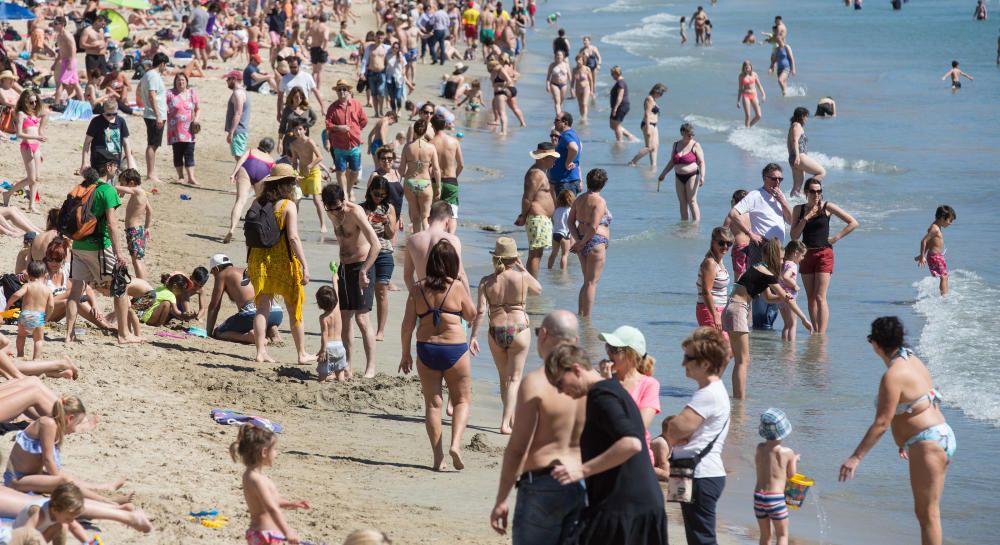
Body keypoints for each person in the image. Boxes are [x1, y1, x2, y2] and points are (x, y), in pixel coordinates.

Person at [839, 317, 955, 545]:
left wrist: (856, 457)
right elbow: (924, 400)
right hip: (939, 436)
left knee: (927, 515)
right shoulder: (912, 359)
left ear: (875, 343)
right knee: (930, 512)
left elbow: (882, 422)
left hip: (928, 443)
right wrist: (906, 441)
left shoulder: (892, 376)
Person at [546, 344, 668, 545]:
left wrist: (581, 471)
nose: (561, 391)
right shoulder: (611, 389)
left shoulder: (602, 396)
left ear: (576, 369)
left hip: (626, 510)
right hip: (635, 505)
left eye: (560, 383)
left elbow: (632, 443)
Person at [489, 309, 584, 542]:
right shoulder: (594, 383)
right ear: (577, 341)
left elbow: (517, 448)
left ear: (543, 334)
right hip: (581, 483)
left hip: (543, 482)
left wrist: (501, 499)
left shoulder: (536, 382)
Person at [399, 239, 477, 471]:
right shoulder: (457, 287)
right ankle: (455, 445)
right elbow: (471, 316)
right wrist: (464, 287)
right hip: (455, 350)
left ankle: (437, 458)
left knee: (433, 404)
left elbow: (407, 325)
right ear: (453, 264)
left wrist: (405, 354)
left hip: (427, 349)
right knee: (462, 400)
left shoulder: (417, 288)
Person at [655, 327, 730, 545]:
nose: (683, 363)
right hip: (688, 470)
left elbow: (673, 429)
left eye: (688, 358)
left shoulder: (708, 394)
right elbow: (676, 431)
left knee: (701, 538)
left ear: (705, 363)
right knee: (694, 535)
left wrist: (675, 433)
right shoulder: (708, 391)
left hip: (700, 474)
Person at [722, 238, 812, 399]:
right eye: (782, 258)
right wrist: (804, 318)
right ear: (775, 257)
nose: (783, 261)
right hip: (738, 310)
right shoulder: (768, 275)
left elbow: (769, 298)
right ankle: (740, 400)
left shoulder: (757, 268)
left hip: (731, 308)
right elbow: (786, 298)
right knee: (743, 360)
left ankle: (721, 388)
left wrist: (783, 297)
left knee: (734, 356)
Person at [469, 237, 542, 433]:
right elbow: (539, 289)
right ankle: (505, 423)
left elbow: (481, 311)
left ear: (496, 258)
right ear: (514, 258)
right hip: (519, 329)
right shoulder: (522, 277)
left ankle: (511, 420)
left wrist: (473, 337)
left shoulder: (486, 281)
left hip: (496, 331)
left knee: (504, 378)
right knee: (515, 378)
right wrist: (523, 269)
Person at [64, 160, 140, 345]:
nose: (117, 169)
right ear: (108, 167)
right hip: (98, 246)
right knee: (120, 287)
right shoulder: (108, 190)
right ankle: (124, 334)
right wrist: (119, 252)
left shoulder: (81, 186)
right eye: (115, 165)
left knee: (75, 292)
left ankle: (68, 335)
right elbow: (113, 224)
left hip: (79, 244)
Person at [4, 396, 127, 503]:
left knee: (68, 478)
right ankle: (107, 502)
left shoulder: (54, 426)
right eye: (77, 423)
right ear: (69, 419)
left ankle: (103, 488)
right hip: (16, 480)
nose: (74, 430)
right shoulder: (48, 424)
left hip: (30, 475)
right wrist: (59, 481)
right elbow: (47, 459)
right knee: (64, 479)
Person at [246, 164, 312, 364]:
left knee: (262, 307)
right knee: (294, 306)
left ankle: (260, 352)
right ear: (289, 184)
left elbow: (250, 235)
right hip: (283, 262)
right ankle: (301, 353)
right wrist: (304, 264)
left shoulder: (258, 202)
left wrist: (248, 263)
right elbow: (293, 238)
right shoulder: (287, 206)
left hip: (259, 260)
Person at [323, 184, 381, 378]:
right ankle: (347, 365)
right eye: (330, 209)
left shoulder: (355, 212)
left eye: (338, 208)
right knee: (345, 316)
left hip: (362, 266)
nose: (335, 213)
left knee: (362, 318)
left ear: (344, 201)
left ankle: (370, 367)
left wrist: (364, 270)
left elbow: (376, 244)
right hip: (345, 267)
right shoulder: (331, 212)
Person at [727, 163, 793, 330]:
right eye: (774, 178)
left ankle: (767, 328)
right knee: (759, 289)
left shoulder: (779, 197)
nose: (777, 182)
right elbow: (733, 214)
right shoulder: (756, 195)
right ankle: (759, 327)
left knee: (776, 286)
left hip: (778, 250)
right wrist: (750, 233)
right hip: (761, 247)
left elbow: (791, 220)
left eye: (780, 179)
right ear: (765, 178)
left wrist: (783, 202)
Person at [790, 178, 858, 333]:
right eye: (813, 191)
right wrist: (806, 218)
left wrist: (836, 237)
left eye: (819, 191)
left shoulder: (827, 207)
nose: (816, 194)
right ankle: (814, 332)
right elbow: (794, 236)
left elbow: (853, 222)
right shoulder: (798, 210)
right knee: (811, 298)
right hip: (805, 254)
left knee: (820, 297)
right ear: (806, 192)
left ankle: (822, 334)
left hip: (824, 254)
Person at [230, 424, 310, 545]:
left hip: (263, 535)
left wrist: (291, 503)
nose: (276, 453)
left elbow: (272, 501)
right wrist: (288, 532)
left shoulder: (252, 476)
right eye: (274, 450)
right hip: (265, 536)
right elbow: (271, 508)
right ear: (264, 452)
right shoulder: (256, 479)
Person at [600, 325, 660, 464]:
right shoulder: (603, 380)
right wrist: (604, 383)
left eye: (614, 349)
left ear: (631, 354)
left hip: (636, 459)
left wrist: (610, 386)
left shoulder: (649, 384)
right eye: (608, 347)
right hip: (605, 457)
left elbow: (638, 426)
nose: (609, 353)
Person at [206, 254, 284, 345]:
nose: (214, 275)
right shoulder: (247, 270)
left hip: (253, 312)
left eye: (212, 273)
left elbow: (214, 306)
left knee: (219, 332)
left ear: (216, 269)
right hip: (276, 312)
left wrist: (209, 332)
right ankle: (271, 329)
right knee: (259, 321)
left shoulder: (222, 274)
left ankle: (249, 337)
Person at [569, 169, 611, 317]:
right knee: (591, 283)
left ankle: (581, 314)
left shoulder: (579, 199)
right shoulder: (599, 201)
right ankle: (587, 319)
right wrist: (582, 242)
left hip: (583, 239)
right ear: (603, 184)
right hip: (595, 241)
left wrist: (579, 240)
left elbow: (570, 222)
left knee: (587, 281)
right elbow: (594, 226)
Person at [360, 177, 398, 341]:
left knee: (381, 291)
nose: (379, 197)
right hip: (365, 251)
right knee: (365, 290)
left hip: (383, 252)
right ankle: (365, 325)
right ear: (370, 191)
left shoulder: (389, 208)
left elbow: (390, 235)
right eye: (376, 194)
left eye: (383, 195)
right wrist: (366, 222)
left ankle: (380, 330)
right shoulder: (361, 208)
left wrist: (387, 221)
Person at [754, 408, 799, 545]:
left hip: (759, 496)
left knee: (765, 535)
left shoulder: (759, 448)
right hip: (775, 498)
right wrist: (794, 460)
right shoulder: (787, 452)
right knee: (782, 535)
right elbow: (792, 476)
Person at [403, 201, 469, 290]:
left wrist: (416, 296)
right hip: (446, 296)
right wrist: (469, 300)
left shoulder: (412, 240)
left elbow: (407, 276)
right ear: (448, 221)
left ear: (429, 218)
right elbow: (461, 274)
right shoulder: (453, 240)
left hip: (424, 294)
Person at [515, 143, 558, 279]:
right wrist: (523, 216)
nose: (554, 160)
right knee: (535, 254)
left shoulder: (541, 173)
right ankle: (532, 286)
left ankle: (531, 284)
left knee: (537, 253)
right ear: (543, 158)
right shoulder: (536, 174)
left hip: (542, 218)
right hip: (537, 217)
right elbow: (527, 198)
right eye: (552, 157)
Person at [225, 138, 276, 244]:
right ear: (271, 149)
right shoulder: (271, 160)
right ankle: (258, 229)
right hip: (264, 170)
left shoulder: (251, 151)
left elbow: (241, 160)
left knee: (240, 201)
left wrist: (233, 174)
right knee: (260, 202)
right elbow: (274, 174)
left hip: (247, 168)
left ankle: (232, 229)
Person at [1, 91, 46, 212]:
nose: (34, 104)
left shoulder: (34, 115)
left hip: (36, 147)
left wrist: (39, 149)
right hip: (26, 146)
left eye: (36, 101)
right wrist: (37, 138)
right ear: (25, 102)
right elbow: (19, 134)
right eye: (31, 102)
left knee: (37, 177)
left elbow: (37, 131)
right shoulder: (21, 114)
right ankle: (8, 193)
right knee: (31, 178)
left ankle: (32, 205)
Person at [326, 79, 369, 200]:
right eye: (339, 89)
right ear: (336, 92)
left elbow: (364, 120)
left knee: (354, 170)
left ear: (349, 91)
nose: (342, 92)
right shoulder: (333, 108)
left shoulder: (356, 104)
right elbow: (328, 124)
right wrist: (338, 128)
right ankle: (344, 193)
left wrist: (356, 130)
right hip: (339, 145)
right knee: (340, 171)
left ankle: (350, 190)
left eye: (344, 89)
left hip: (354, 144)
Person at [287, 121, 332, 233]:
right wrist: (294, 174)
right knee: (296, 199)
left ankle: (323, 225)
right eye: (296, 130)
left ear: (305, 130)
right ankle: (292, 225)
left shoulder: (310, 141)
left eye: (300, 129)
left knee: (317, 200)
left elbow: (320, 157)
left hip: (314, 172)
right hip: (302, 173)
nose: (298, 132)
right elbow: (294, 161)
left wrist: (310, 165)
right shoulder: (293, 145)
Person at [657, 123, 706, 222]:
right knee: (682, 202)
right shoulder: (675, 145)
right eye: (689, 134)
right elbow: (672, 161)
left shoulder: (696, 145)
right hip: (678, 176)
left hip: (692, 175)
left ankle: (695, 224)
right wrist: (663, 174)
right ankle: (684, 225)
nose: (691, 137)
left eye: (692, 135)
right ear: (682, 133)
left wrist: (702, 176)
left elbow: (701, 162)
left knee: (691, 201)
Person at [3, 262, 52, 360]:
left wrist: (8, 305)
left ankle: (20, 354)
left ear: (28, 274)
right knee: (38, 340)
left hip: (25, 315)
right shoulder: (47, 290)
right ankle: (36, 358)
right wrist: (47, 317)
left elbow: (17, 295)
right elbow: (51, 305)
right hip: (39, 316)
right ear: (45, 274)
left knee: (21, 336)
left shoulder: (28, 286)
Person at [400, 119, 440, 232]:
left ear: (414, 130)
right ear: (425, 131)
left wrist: (398, 180)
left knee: (415, 218)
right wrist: (439, 186)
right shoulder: (431, 147)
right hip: (425, 182)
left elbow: (401, 169)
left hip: (410, 182)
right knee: (425, 218)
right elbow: (436, 169)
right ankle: (426, 244)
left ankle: (416, 243)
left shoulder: (407, 147)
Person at [115, 168, 153, 280]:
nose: (121, 185)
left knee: (136, 260)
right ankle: (144, 283)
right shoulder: (142, 194)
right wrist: (147, 227)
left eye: (123, 183)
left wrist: (118, 189)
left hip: (134, 231)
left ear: (131, 183)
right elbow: (150, 211)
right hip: (139, 230)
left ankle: (142, 284)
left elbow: (115, 187)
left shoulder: (137, 191)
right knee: (138, 259)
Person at [79, 99, 137, 174]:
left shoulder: (121, 121)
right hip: (99, 162)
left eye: (114, 114)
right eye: (108, 114)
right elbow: (87, 143)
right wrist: (84, 163)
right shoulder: (96, 121)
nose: (111, 117)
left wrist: (130, 163)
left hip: (115, 162)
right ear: (104, 110)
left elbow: (126, 144)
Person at [166, 73, 201, 186]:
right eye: (178, 80)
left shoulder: (192, 93)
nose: (180, 82)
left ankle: (191, 177)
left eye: (183, 80)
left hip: (189, 130)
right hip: (175, 130)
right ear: (175, 82)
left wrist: (196, 119)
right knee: (177, 153)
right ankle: (181, 177)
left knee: (189, 152)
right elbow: (161, 105)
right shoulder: (170, 94)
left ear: (186, 81)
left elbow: (198, 109)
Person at [139, 53, 169, 184]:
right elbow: (152, 95)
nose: (166, 67)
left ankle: (151, 172)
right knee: (153, 144)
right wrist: (158, 115)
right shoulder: (153, 75)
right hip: (154, 115)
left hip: (153, 113)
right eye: (165, 64)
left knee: (154, 144)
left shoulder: (148, 74)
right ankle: (150, 173)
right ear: (162, 63)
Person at [430, 113, 465, 227]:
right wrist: (455, 176)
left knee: (435, 213)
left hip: (435, 181)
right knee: (452, 214)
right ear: (445, 125)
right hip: (451, 181)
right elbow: (461, 165)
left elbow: (428, 166)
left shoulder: (430, 143)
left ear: (432, 126)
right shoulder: (454, 141)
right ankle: (451, 238)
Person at [697, 227, 733, 335]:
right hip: (710, 310)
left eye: (729, 243)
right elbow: (706, 291)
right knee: (721, 347)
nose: (725, 246)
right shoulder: (710, 263)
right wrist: (715, 315)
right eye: (721, 243)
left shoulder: (719, 261)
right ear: (713, 242)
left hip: (720, 309)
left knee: (723, 348)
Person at [915, 205, 956, 297]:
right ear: (942, 218)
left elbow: (930, 242)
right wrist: (922, 256)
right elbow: (924, 241)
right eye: (950, 220)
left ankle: (944, 295)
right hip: (935, 257)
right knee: (944, 277)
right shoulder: (935, 229)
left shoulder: (936, 226)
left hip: (937, 256)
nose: (951, 223)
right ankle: (944, 298)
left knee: (944, 276)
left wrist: (923, 254)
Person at [787, 107, 825, 198]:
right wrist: (797, 157)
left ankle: (792, 204)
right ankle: (807, 191)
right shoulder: (796, 126)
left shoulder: (794, 125)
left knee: (797, 187)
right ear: (802, 116)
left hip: (794, 156)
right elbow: (794, 141)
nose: (806, 119)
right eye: (806, 116)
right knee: (821, 172)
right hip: (799, 156)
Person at [628, 83, 667, 168]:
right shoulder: (649, 99)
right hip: (648, 124)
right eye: (661, 93)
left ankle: (653, 165)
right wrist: (648, 127)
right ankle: (633, 161)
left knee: (655, 147)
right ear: (656, 91)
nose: (661, 95)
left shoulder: (653, 99)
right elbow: (647, 114)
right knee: (649, 147)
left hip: (654, 125)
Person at [316, 285, 349, 382]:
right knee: (340, 371)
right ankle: (341, 382)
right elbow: (337, 293)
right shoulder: (338, 311)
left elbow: (324, 334)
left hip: (329, 347)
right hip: (340, 346)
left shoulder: (323, 318)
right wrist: (335, 278)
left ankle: (322, 381)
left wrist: (323, 350)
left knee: (322, 374)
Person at [778, 240, 807, 342]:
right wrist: (794, 285)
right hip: (789, 298)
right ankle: (791, 347)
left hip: (780, 297)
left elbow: (780, 277)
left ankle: (784, 345)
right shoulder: (792, 265)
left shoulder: (783, 263)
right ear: (796, 253)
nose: (802, 258)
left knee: (786, 324)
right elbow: (785, 277)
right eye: (802, 255)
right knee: (793, 324)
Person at [549, 112, 582, 196]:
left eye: (557, 120)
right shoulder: (572, 134)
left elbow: (574, 148)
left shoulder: (565, 136)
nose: (554, 122)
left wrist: (567, 163)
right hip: (567, 181)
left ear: (565, 123)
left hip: (566, 182)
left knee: (564, 209)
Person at [52, 17, 83, 106]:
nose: (53, 25)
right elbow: (61, 51)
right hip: (64, 61)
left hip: (70, 61)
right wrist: (55, 63)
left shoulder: (67, 35)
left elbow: (73, 48)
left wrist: (70, 63)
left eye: (56, 23)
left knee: (60, 82)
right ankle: (82, 102)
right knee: (75, 83)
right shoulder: (59, 35)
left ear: (62, 25)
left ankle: (56, 103)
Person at [225, 71, 252, 160]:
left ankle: (244, 174)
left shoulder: (238, 93)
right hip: (241, 130)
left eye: (228, 79)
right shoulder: (243, 92)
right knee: (239, 158)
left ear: (234, 79)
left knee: (239, 158)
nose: (227, 81)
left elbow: (238, 113)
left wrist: (231, 132)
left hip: (238, 131)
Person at [548, 189, 575, 271]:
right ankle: (563, 272)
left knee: (553, 254)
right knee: (564, 254)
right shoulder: (570, 211)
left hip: (555, 234)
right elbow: (572, 225)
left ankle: (549, 269)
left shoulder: (556, 210)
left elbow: (553, 220)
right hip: (565, 235)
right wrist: (572, 238)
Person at [608, 66, 636, 142]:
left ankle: (620, 142)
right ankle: (630, 136)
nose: (612, 76)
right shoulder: (619, 82)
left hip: (621, 106)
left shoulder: (620, 83)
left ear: (616, 73)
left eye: (612, 74)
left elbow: (620, 96)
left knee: (616, 125)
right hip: (620, 106)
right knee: (613, 125)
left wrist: (615, 108)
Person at [737, 60, 765, 128]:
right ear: (743, 68)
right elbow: (740, 89)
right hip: (745, 96)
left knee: (758, 115)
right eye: (745, 68)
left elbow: (759, 85)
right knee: (748, 115)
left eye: (748, 68)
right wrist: (738, 101)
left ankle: (749, 127)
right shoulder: (741, 76)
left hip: (754, 95)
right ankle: (747, 130)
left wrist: (763, 94)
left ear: (751, 67)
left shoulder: (754, 74)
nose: (747, 69)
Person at [545, 51, 571, 115]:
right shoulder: (552, 65)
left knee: (561, 101)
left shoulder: (566, 65)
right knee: (557, 102)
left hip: (564, 85)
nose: (559, 56)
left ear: (563, 57)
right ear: (555, 56)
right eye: (557, 55)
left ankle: (560, 114)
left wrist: (572, 87)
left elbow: (570, 77)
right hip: (554, 84)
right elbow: (548, 76)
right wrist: (547, 85)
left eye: (560, 55)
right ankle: (558, 118)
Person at [570, 55, 594, 122]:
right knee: (580, 105)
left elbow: (591, 80)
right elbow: (572, 81)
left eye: (580, 60)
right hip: (578, 89)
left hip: (586, 88)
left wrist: (592, 90)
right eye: (577, 60)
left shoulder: (587, 69)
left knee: (584, 103)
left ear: (583, 61)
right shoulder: (574, 70)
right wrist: (571, 89)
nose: (578, 61)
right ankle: (582, 116)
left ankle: (584, 118)